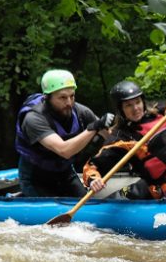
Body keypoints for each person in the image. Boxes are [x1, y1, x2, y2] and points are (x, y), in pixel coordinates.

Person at [82, 80, 166, 199]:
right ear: (121, 109)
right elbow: (92, 166)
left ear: (143, 101)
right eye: (128, 105)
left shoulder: (162, 111)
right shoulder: (120, 138)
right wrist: (94, 180)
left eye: (137, 102)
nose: (136, 108)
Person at [14, 69, 114, 197]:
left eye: (72, 96)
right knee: (49, 213)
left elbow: (110, 137)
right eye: (62, 97)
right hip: (36, 177)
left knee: (85, 206)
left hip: (64, 172)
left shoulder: (81, 112)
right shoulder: (33, 118)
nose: (69, 103)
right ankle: (23, 197)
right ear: (47, 98)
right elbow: (64, 150)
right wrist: (93, 128)